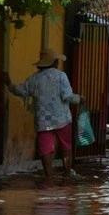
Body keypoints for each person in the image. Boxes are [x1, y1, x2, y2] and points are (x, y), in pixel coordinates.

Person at [5, 48, 81, 183]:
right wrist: (80, 99)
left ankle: (49, 177)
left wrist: (9, 84)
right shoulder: (61, 76)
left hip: (43, 122)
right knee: (66, 147)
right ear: (55, 63)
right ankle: (67, 172)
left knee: (45, 149)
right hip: (62, 119)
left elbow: (20, 91)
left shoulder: (34, 79)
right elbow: (68, 96)